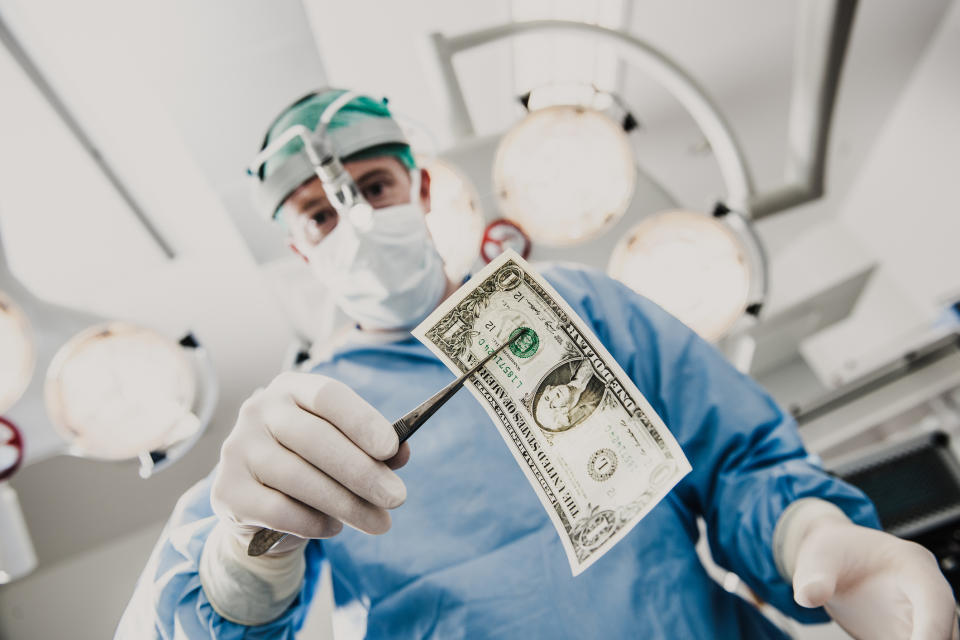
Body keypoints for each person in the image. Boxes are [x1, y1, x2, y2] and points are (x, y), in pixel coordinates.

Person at [117, 89, 958, 639]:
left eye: (374, 188)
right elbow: (200, 621)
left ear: (424, 191)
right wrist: (245, 561)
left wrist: (814, 532)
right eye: (317, 217)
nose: (356, 221)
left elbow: (734, 460)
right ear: (300, 255)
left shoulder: (574, 307)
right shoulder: (300, 428)